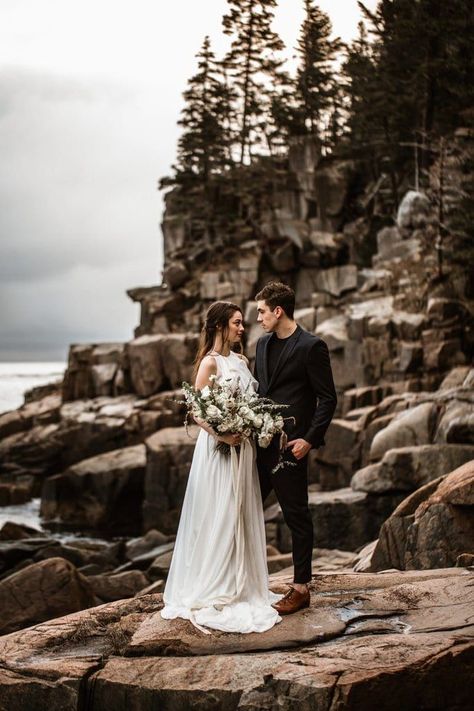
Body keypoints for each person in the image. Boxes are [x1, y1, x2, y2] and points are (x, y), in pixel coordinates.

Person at [160, 301, 281, 634]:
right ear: (219, 327)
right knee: (221, 510)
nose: (242, 328)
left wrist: (253, 423)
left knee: (241, 511)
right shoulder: (209, 364)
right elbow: (198, 411)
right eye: (237, 323)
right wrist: (223, 433)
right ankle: (219, 583)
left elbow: (250, 402)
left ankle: (246, 583)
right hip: (218, 450)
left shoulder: (241, 361)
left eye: (243, 323)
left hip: (243, 450)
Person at [254, 282, 337, 615]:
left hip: (291, 448)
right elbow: (260, 392)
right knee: (241, 511)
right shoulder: (261, 345)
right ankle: (239, 583)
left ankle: (301, 588)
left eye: (261, 311)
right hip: (257, 446)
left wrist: (310, 439)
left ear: (278, 311)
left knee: (296, 517)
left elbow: (327, 398)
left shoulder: (312, 346)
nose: (257, 317)